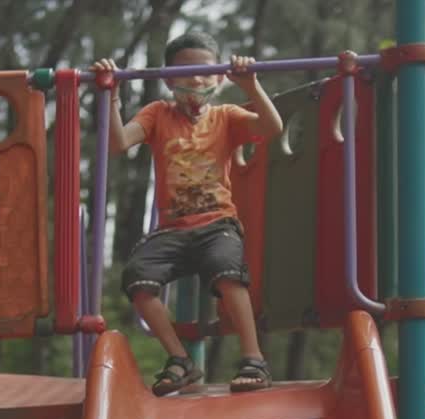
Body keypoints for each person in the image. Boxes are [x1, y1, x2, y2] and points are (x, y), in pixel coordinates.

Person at [92, 31, 283, 396]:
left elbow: (271, 127)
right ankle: (181, 360)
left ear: (220, 77)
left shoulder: (226, 116)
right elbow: (118, 143)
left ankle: (253, 359)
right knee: (137, 276)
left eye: (205, 71)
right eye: (185, 72)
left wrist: (252, 86)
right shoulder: (157, 114)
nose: (196, 79)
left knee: (228, 273)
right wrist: (111, 94)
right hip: (173, 229)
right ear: (167, 78)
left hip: (217, 223)